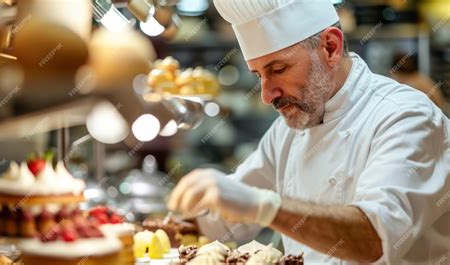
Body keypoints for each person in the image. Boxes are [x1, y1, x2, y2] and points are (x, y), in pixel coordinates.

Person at [168, 0, 450, 264]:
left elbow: (375, 238)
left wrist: (264, 207)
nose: (266, 95)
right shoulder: (288, 130)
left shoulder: (406, 117)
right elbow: (228, 216)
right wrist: (178, 224)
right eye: (258, 76)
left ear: (329, 47)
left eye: (278, 69)